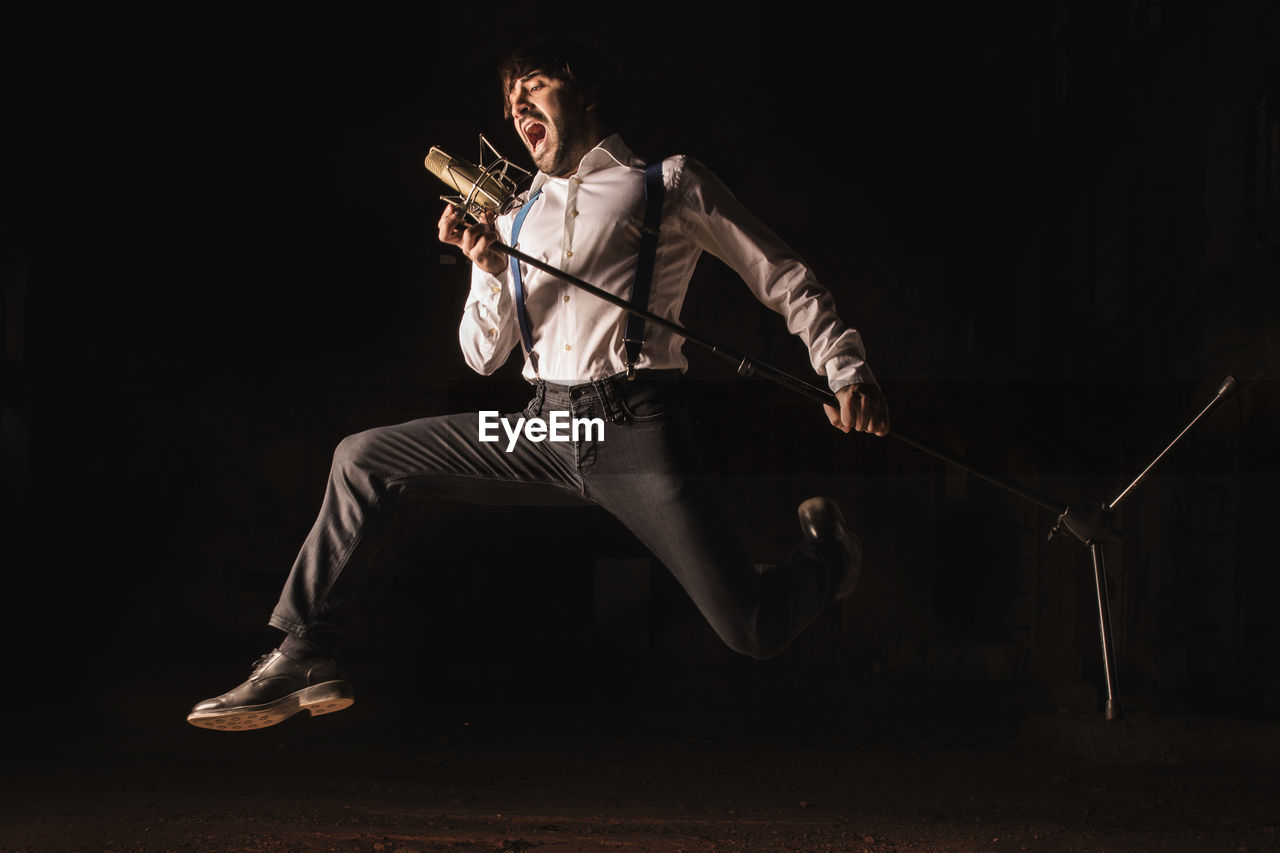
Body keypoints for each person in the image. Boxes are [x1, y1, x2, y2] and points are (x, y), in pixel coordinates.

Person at [187, 38, 889, 732]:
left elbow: (783, 275)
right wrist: (487, 267)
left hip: (634, 431)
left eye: (535, 83)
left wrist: (845, 368)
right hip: (546, 429)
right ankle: (304, 652)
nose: (516, 101)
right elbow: (481, 357)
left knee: (753, 626)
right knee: (363, 457)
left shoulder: (667, 184)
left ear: (584, 92)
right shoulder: (515, 214)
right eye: (508, 96)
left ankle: (828, 555)